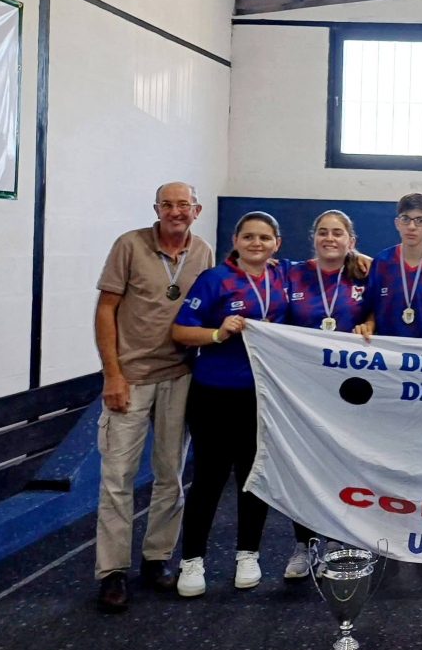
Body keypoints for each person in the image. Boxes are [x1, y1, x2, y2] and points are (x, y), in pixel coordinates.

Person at [94, 182, 214, 613]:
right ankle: (111, 572)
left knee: (171, 476)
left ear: (196, 210)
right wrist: (113, 374)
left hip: (180, 376)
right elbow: (105, 309)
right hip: (131, 378)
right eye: (168, 204)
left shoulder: (203, 252)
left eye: (184, 205)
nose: (176, 211)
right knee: (118, 478)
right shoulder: (129, 245)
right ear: (157, 209)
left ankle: (157, 559)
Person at [171, 212, 289, 597]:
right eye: (249, 237)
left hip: (262, 395)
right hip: (214, 393)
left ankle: (248, 554)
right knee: (209, 477)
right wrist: (218, 332)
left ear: (277, 243)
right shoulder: (214, 279)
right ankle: (192, 561)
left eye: (265, 238)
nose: (257, 244)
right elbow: (180, 331)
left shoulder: (281, 276)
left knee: (252, 478)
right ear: (236, 240)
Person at [282, 210, 368, 579]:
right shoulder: (291, 272)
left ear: (351, 239)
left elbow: (379, 313)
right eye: (322, 232)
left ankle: (339, 538)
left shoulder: (366, 273)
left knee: (345, 461)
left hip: (351, 389)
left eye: (338, 232)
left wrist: (372, 324)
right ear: (313, 237)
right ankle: (304, 543)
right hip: (303, 385)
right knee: (303, 465)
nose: (329, 238)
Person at [354, 192, 422, 343]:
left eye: (420, 220)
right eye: (405, 219)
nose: (412, 226)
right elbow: (372, 312)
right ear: (397, 223)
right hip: (388, 356)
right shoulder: (382, 262)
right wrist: (367, 326)